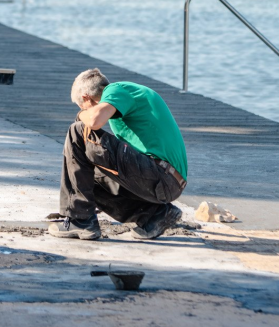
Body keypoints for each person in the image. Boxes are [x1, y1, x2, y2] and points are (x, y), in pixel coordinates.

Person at [49, 68, 188, 241]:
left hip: (163, 176)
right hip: (165, 181)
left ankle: (80, 219)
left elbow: (94, 121)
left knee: (77, 131)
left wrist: (81, 115)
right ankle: (154, 215)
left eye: (83, 107)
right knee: (84, 179)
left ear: (86, 98)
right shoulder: (122, 104)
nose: (83, 112)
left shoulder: (116, 90)